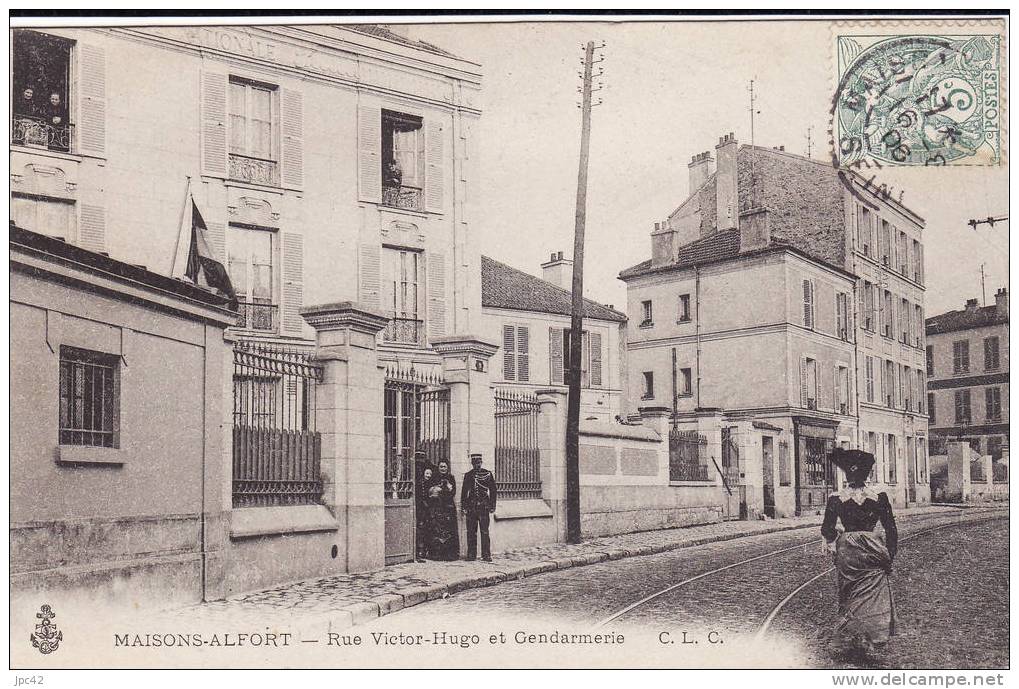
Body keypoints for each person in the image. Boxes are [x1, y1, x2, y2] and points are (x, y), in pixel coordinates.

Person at [821, 448, 898, 658]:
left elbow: (826, 530)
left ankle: (852, 637)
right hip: (873, 548)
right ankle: (871, 637)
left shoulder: (836, 499)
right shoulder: (879, 497)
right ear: (868, 474)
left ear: (846, 475)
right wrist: (888, 556)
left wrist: (837, 537)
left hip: (848, 551)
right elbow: (891, 529)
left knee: (849, 594)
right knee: (873, 594)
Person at [461, 453, 498, 562]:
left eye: (479, 462)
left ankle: (486, 555)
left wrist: (492, 505)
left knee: (484, 531)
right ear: (472, 463)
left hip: (484, 507)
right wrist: (464, 506)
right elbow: (464, 492)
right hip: (471, 507)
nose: (477, 465)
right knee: (471, 531)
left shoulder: (487, 474)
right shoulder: (468, 475)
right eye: (475, 463)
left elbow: (493, 491)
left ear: (481, 462)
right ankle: (471, 555)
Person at [428, 460, 460, 561]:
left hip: (448, 507)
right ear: (438, 467)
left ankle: (450, 555)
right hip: (437, 507)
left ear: (447, 468)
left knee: (449, 531)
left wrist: (442, 491)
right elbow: (431, 493)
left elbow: (453, 492)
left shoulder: (451, 478)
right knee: (437, 530)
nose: (443, 469)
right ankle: (437, 554)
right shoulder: (434, 478)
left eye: (444, 467)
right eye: (441, 467)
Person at [415, 465, 435, 562]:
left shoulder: (431, 483)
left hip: (430, 509)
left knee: (429, 529)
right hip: (422, 509)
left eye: (430, 474)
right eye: (427, 473)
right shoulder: (420, 483)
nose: (429, 475)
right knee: (421, 529)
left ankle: (428, 551)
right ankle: (420, 550)